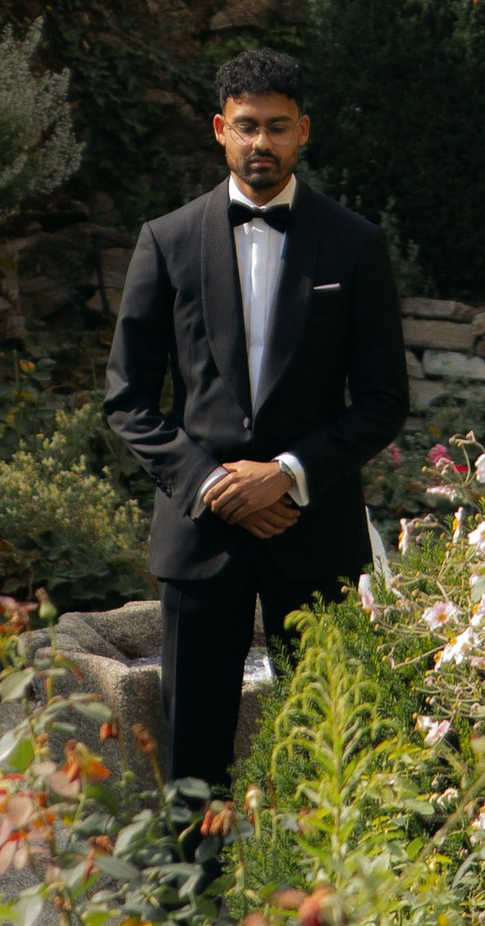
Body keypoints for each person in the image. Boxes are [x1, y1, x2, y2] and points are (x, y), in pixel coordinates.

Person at [102, 47, 408, 826]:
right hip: (202, 539)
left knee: (326, 749)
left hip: (314, 527)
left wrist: (289, 474)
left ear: (303, 132)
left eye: (277, 128)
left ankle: (314, 924)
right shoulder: (166, 242)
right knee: (192, 761)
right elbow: (128, 400)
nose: (261, 144)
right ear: (219, 131)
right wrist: (217, 486)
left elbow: (383, 400)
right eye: (246, 128)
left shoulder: (354, 245)